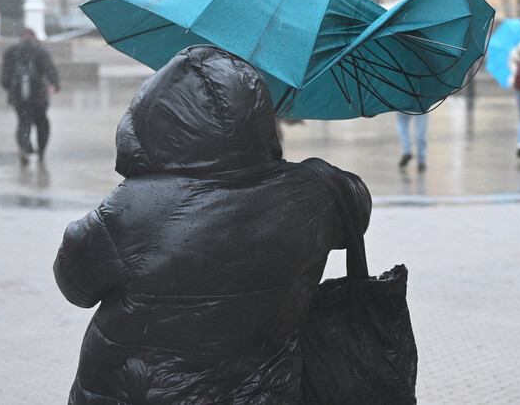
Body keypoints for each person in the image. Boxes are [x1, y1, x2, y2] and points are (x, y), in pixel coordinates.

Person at [53, 45, 372, 403]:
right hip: (266, 392)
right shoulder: (314, 192)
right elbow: (356, 205)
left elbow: (75, 286)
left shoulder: (130, 211)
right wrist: (282, 166)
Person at [0, 28, 59, 164]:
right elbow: (50, 69)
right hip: (38, 93)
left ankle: (24, 148)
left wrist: (11, 88)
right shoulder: (40, 51)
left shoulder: (11, 51)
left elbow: (5, 77)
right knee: (42, 123)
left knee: (23, 122)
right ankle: (41, 151)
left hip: (18, 92)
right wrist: (54, 85)